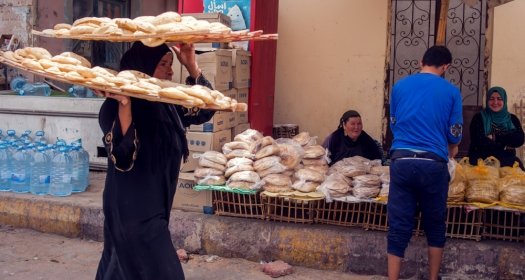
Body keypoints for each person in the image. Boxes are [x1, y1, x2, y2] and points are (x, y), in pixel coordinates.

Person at [95, 42, 215, 279]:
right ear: (143, 67)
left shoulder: (166, 103)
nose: (170, 72)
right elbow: (123, 155)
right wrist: (125, 103)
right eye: (163, 65)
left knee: (123, 269)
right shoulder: (113, 107)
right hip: (132, 209)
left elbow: (205, 108)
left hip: (155, 205)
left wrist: (191, 64)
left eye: (171, 64)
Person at [388, 46, 463, 280]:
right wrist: (453, 146)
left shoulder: (399, 86)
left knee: (399, 223)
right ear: (446, 66)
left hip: (401, 160)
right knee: (434, 222)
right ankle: (432, 278)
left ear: (421, 61)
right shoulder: (451, 91)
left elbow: (394, 122)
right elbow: (455, 131)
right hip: (433, 163)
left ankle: (392, 278)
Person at [468, 86, 524, 169]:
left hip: (507, 161)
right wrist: (506, 144)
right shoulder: (479, 118)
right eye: (491, 99)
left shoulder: (512, 119)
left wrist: (495, 137)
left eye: (499, 99)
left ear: (504, 100)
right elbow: (479, 141)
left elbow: (519, 139)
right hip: (481, 162)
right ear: (487, 100)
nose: (495, 102)